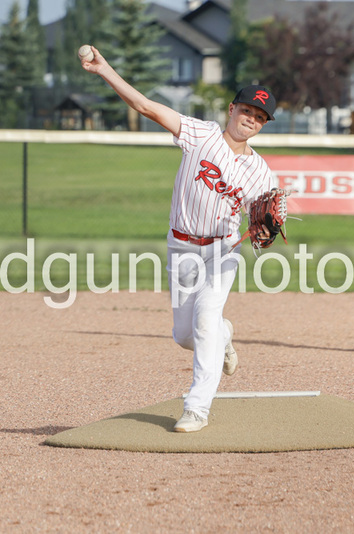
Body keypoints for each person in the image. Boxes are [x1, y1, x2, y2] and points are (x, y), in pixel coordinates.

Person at [81, 46, 278, 432]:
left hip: (223, 250)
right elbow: (146, 107)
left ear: (263, 124)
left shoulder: (261, 173)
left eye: (260, 117)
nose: (251, 119)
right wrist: (105, 69)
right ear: (231, 109)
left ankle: (196, 408)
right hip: (181, 247)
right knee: (185, 335)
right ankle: (225, 335)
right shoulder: (200, 134)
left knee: (205, 320)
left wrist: (264, 230)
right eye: (247, 110)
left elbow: (265, 220)